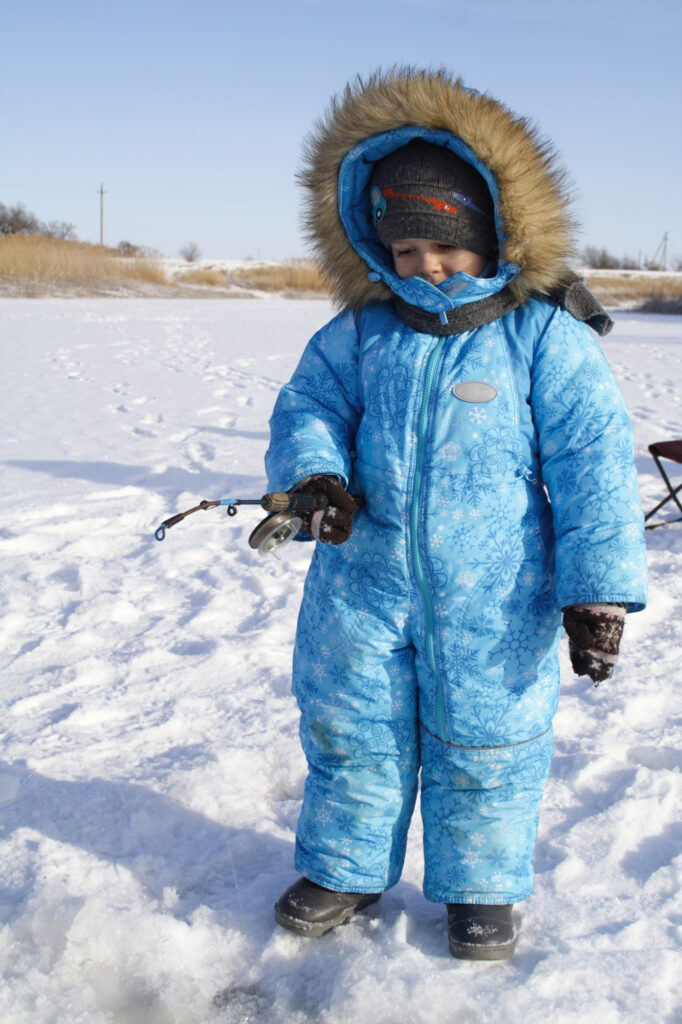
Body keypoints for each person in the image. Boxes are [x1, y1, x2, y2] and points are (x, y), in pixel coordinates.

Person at [264, 68, 647, 960]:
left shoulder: (540, 336)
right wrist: (315, 474)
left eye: (445, 246)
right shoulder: (361, 333)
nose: (424, 266)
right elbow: (307, 406)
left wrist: (596, 596)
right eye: (402, 251)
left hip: (496, 593)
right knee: (351, 728)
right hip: (360, 585)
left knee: (489, 738)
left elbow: (593, 468)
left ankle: (482, 888)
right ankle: (346, 869)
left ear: (494, 234)